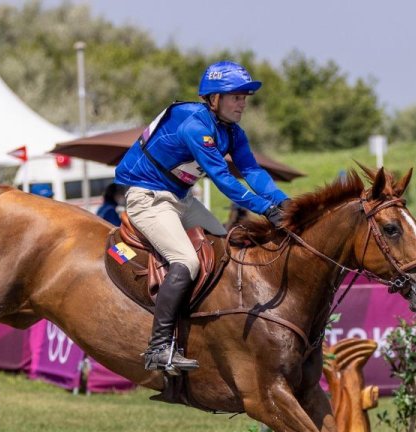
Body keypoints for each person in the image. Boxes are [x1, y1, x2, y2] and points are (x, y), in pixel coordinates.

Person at [115, 60, 291, 374]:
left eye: (244, 97)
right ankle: (159, 347)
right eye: (236, 97)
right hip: (148, 198)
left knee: (225, 248)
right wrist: (264, 208)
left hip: (182, 199)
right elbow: (223, 178)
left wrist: (286, 204)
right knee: (188, 261)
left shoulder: (233, 132)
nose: (242, 104)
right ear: (213, 98)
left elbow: (251, 171)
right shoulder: (196, 126)